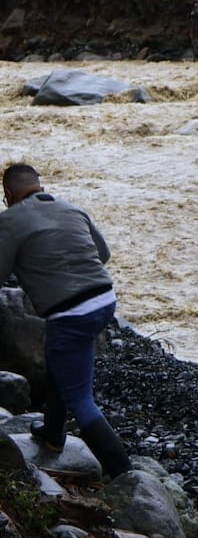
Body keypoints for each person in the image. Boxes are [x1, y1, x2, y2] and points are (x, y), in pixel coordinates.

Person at [0, 163, 131, 478]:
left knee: (81, 400)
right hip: (104, 300)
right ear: (41, 188)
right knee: (59, 357)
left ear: (8, 195)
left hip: (71, 313)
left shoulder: (9, 220)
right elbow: (103, 255)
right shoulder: (72, 208)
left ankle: (126, 475)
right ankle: (54, 433)